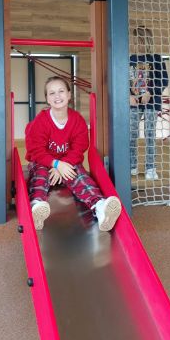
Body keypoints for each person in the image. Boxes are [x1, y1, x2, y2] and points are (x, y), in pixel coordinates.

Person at [25, 75, 121, 231]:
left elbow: (79, 148)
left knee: (78, 173)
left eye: (61, 91)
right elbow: (36, 150)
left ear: (69, 95)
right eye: (52, 93)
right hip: (45, 162)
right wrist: (56, 164)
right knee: (40, 173)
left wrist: (63, 165)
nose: (57, 96)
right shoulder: (41, 121)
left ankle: (99, 207)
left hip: (67, 163)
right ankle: (36, 207)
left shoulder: (77, 120)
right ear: (47, 99)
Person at [129, 26, 168, 180]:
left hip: (152, 103)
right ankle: (131, 165)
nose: (138, 45)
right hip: (133, 102)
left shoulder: (156, 59)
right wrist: (128, 95)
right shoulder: (129, 59)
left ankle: (150, 167)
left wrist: (150, 92)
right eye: (135, 41)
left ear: (148, 42)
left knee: (150, 134)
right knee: (131, 132)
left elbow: (163, 80)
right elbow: (124, 79)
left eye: (141, 41)